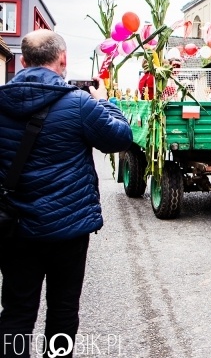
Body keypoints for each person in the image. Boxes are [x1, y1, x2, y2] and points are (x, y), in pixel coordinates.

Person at [0, 30, 132, 358]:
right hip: (67, 230)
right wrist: (107, 103)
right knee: (62, 311)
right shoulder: (80, 104)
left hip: (13, 227)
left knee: (16, 311)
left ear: (24, 61)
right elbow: (120, 139)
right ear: (62, 60)